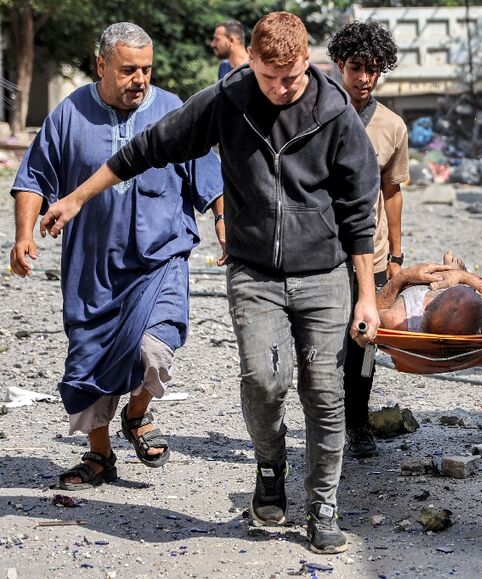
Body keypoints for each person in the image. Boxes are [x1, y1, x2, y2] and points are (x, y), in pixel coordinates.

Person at [38, 12, 380, 555]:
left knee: (326, 393)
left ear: (306, 59)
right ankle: (271, 470)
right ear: (255, 63)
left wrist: (367, 295)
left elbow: (360, 210)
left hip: (324, 275)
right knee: (265, 384)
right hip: (255, 274)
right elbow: (146, 147)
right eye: (270, 78)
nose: (282, 88)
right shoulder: (229, 98)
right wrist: (78, 196)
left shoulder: (335, 111)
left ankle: (322, 506)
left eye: (291, 77)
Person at [9, 23, 224, 490]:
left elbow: (213, 180)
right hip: (93, 271)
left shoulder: (174, 112)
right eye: (128, 69)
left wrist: (226, 223)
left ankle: (137, 413)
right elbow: (32, 179)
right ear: (101, 63)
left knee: (155, 348)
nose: (140, 79)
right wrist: (24, 234)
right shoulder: (68, 115)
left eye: (146, 69)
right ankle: (100, 456)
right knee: (89, 367)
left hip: (160, 261)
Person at [327, 20, 409, 459]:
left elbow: (392, 191)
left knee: (363, 340)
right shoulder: (316, 112)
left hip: (371, 255)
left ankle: (357, 424)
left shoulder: (392, 126)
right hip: (320, 251)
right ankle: (324, 424)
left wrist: (396, 255)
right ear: (340, 64)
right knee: (320, 343)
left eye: (374, 69)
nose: (364, 78)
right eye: (357, 67)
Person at [377, 254, 482, 334]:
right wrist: (465, 277)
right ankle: (455, 275)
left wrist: (404, 276)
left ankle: (450, 274)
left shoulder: (397, 320)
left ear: (426, 307)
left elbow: (369, 312)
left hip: (423, 290)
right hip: (465, 301)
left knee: (430, 282)